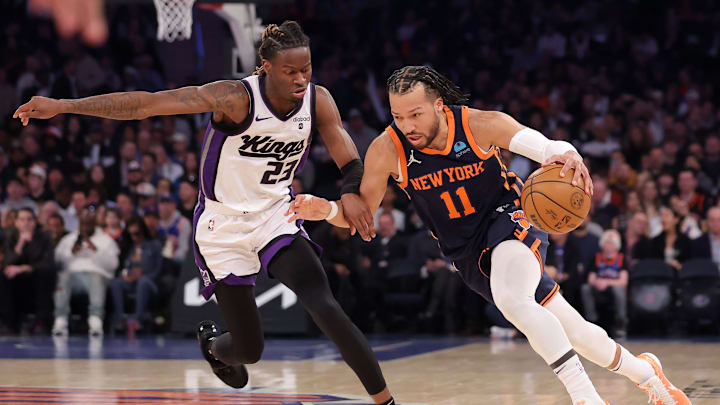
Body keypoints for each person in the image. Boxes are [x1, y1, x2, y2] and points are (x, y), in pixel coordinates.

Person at [14, 21, 394, 405]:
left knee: (324, 304)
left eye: (306, 69)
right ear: (265, 67)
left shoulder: (318, 100)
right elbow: (146, 104)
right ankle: (214, 346)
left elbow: (349, 160)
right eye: (290, 71)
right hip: (221, 225)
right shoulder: (233, 97)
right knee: (249, 351)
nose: (301, 78)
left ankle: (386, 401)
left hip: (276, 216)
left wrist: (351, 193)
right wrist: (65, 106)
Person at [287, 66, 690, 405]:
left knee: (513, 300)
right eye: (398, 116)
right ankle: (648, 375)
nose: (406, 125)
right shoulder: (386, 150)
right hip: (467, 253)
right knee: (577, 332)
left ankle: (586, 398)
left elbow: (547, 146)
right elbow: (360, 213)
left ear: (439, 106)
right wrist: (325, 210)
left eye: (416, 114)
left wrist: (569, 154)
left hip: (511, 216)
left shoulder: (478, 124)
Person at [53, 205, 119, 337]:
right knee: (62, 277)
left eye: (89, 223)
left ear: (94, 222)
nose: (85, 226)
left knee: (96, 277)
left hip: (96, 278)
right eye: (83, 223)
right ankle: (60, 320)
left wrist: (95, 250)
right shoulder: (68, 239)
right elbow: (57, 262)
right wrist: (71, 252)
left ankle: (95, 320)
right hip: (72, 278)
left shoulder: (106, 240)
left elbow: (113, 265)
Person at [580, 230, 629, 338]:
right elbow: (590, 279)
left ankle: (620, 323)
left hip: (613, 289)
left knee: (619, 289)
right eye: (607, 242)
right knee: (585, 288)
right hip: (598, 289)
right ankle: (591, 321)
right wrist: (597, 282)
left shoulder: (621, 258)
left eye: (612, 243)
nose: (609, 245)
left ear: (617, 245)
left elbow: (623, 281)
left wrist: (607, 282)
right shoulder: (597, 257)